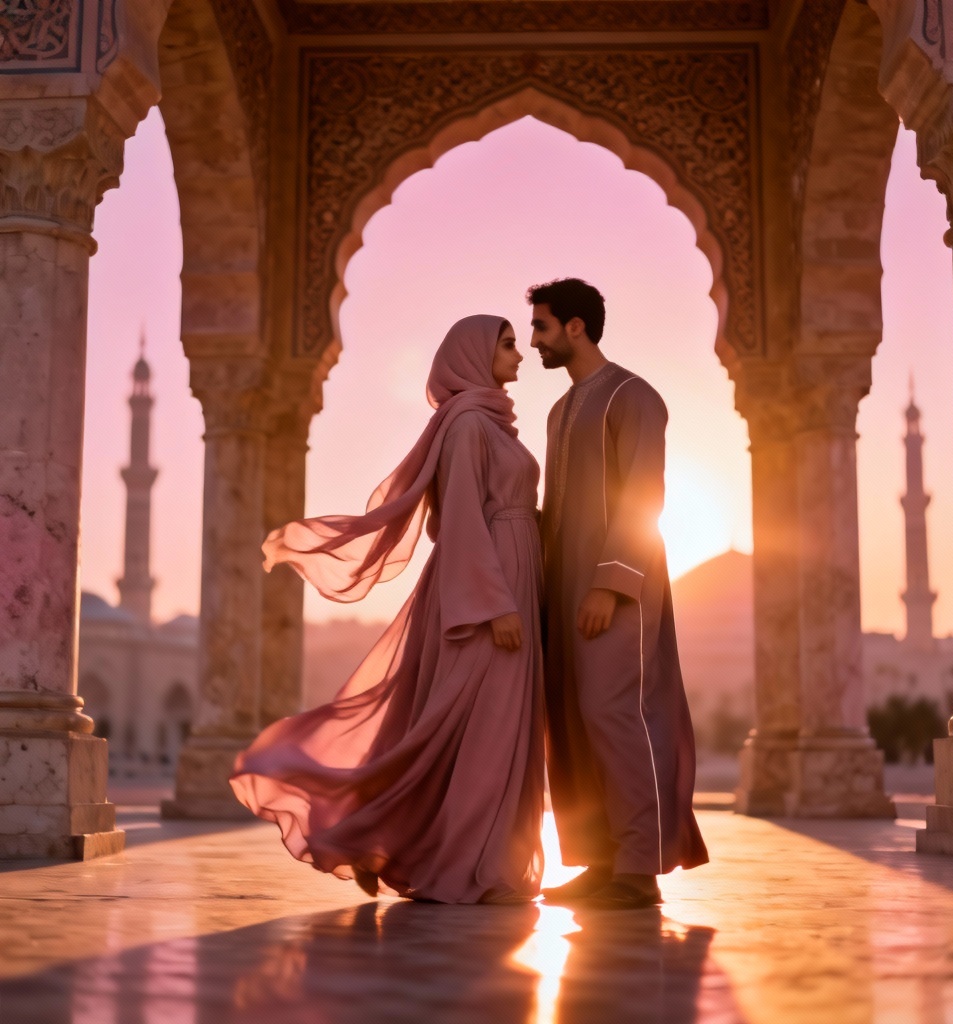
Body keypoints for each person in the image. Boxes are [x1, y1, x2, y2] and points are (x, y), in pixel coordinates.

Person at [231, 315, 546, 905]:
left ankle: (384, 839)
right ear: (473, 356)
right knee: (479, 729)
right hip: (485, 594)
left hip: (511, 580)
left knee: (471, 728)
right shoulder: (469, 426)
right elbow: (460, 520)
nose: (520, 354)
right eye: (506, 344)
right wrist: (495, 605)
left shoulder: (492, 424)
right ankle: (479, 868)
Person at [528, 278, 708, 909]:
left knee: (616, 711)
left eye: (542, 328)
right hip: (564, 589)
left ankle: (638, 868)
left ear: (576, 327)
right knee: (573, 719)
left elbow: (643, 495)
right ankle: (599, 859)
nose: (533, 342)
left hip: (616, 587)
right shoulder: (560, 410)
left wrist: (611, 584)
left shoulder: (634, 397)